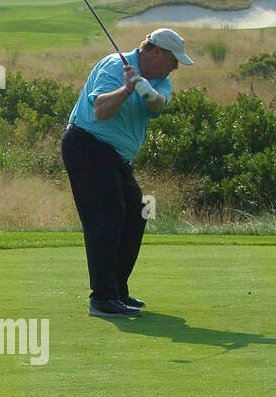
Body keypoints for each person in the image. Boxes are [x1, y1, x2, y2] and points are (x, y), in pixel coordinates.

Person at [61, 28, 192, 318]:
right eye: (173, 59)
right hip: (87, 146)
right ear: (157, 52)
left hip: (115, 158)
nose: (176, 66)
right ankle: (102, 298)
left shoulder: (163, 80)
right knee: (107, 216)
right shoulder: (113, 66)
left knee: (137, 213)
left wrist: (147, 90)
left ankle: (118, 290)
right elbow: (100, 111)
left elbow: (160, 104)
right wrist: (127, 89)